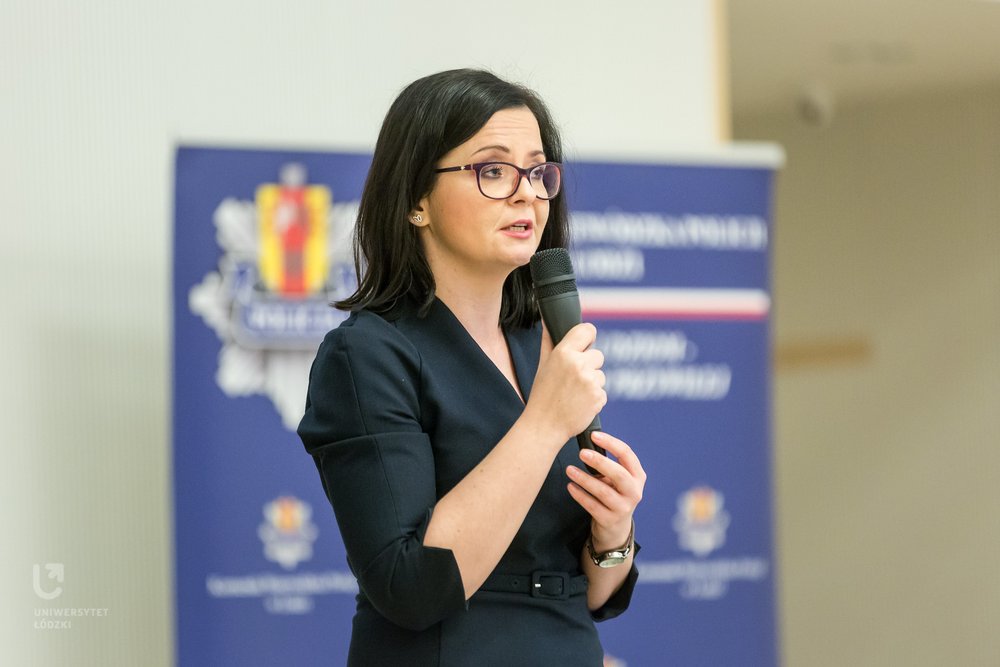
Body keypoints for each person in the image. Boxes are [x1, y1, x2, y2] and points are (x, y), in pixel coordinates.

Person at [298, 68, 647, 666]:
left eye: (538, 172)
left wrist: (613, 534)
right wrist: (542, 425)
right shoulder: (368, 355)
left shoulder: (542, 342)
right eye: (493, 170)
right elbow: (410, 586)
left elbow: (589, 593)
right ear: (416, 201)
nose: (526, 193)